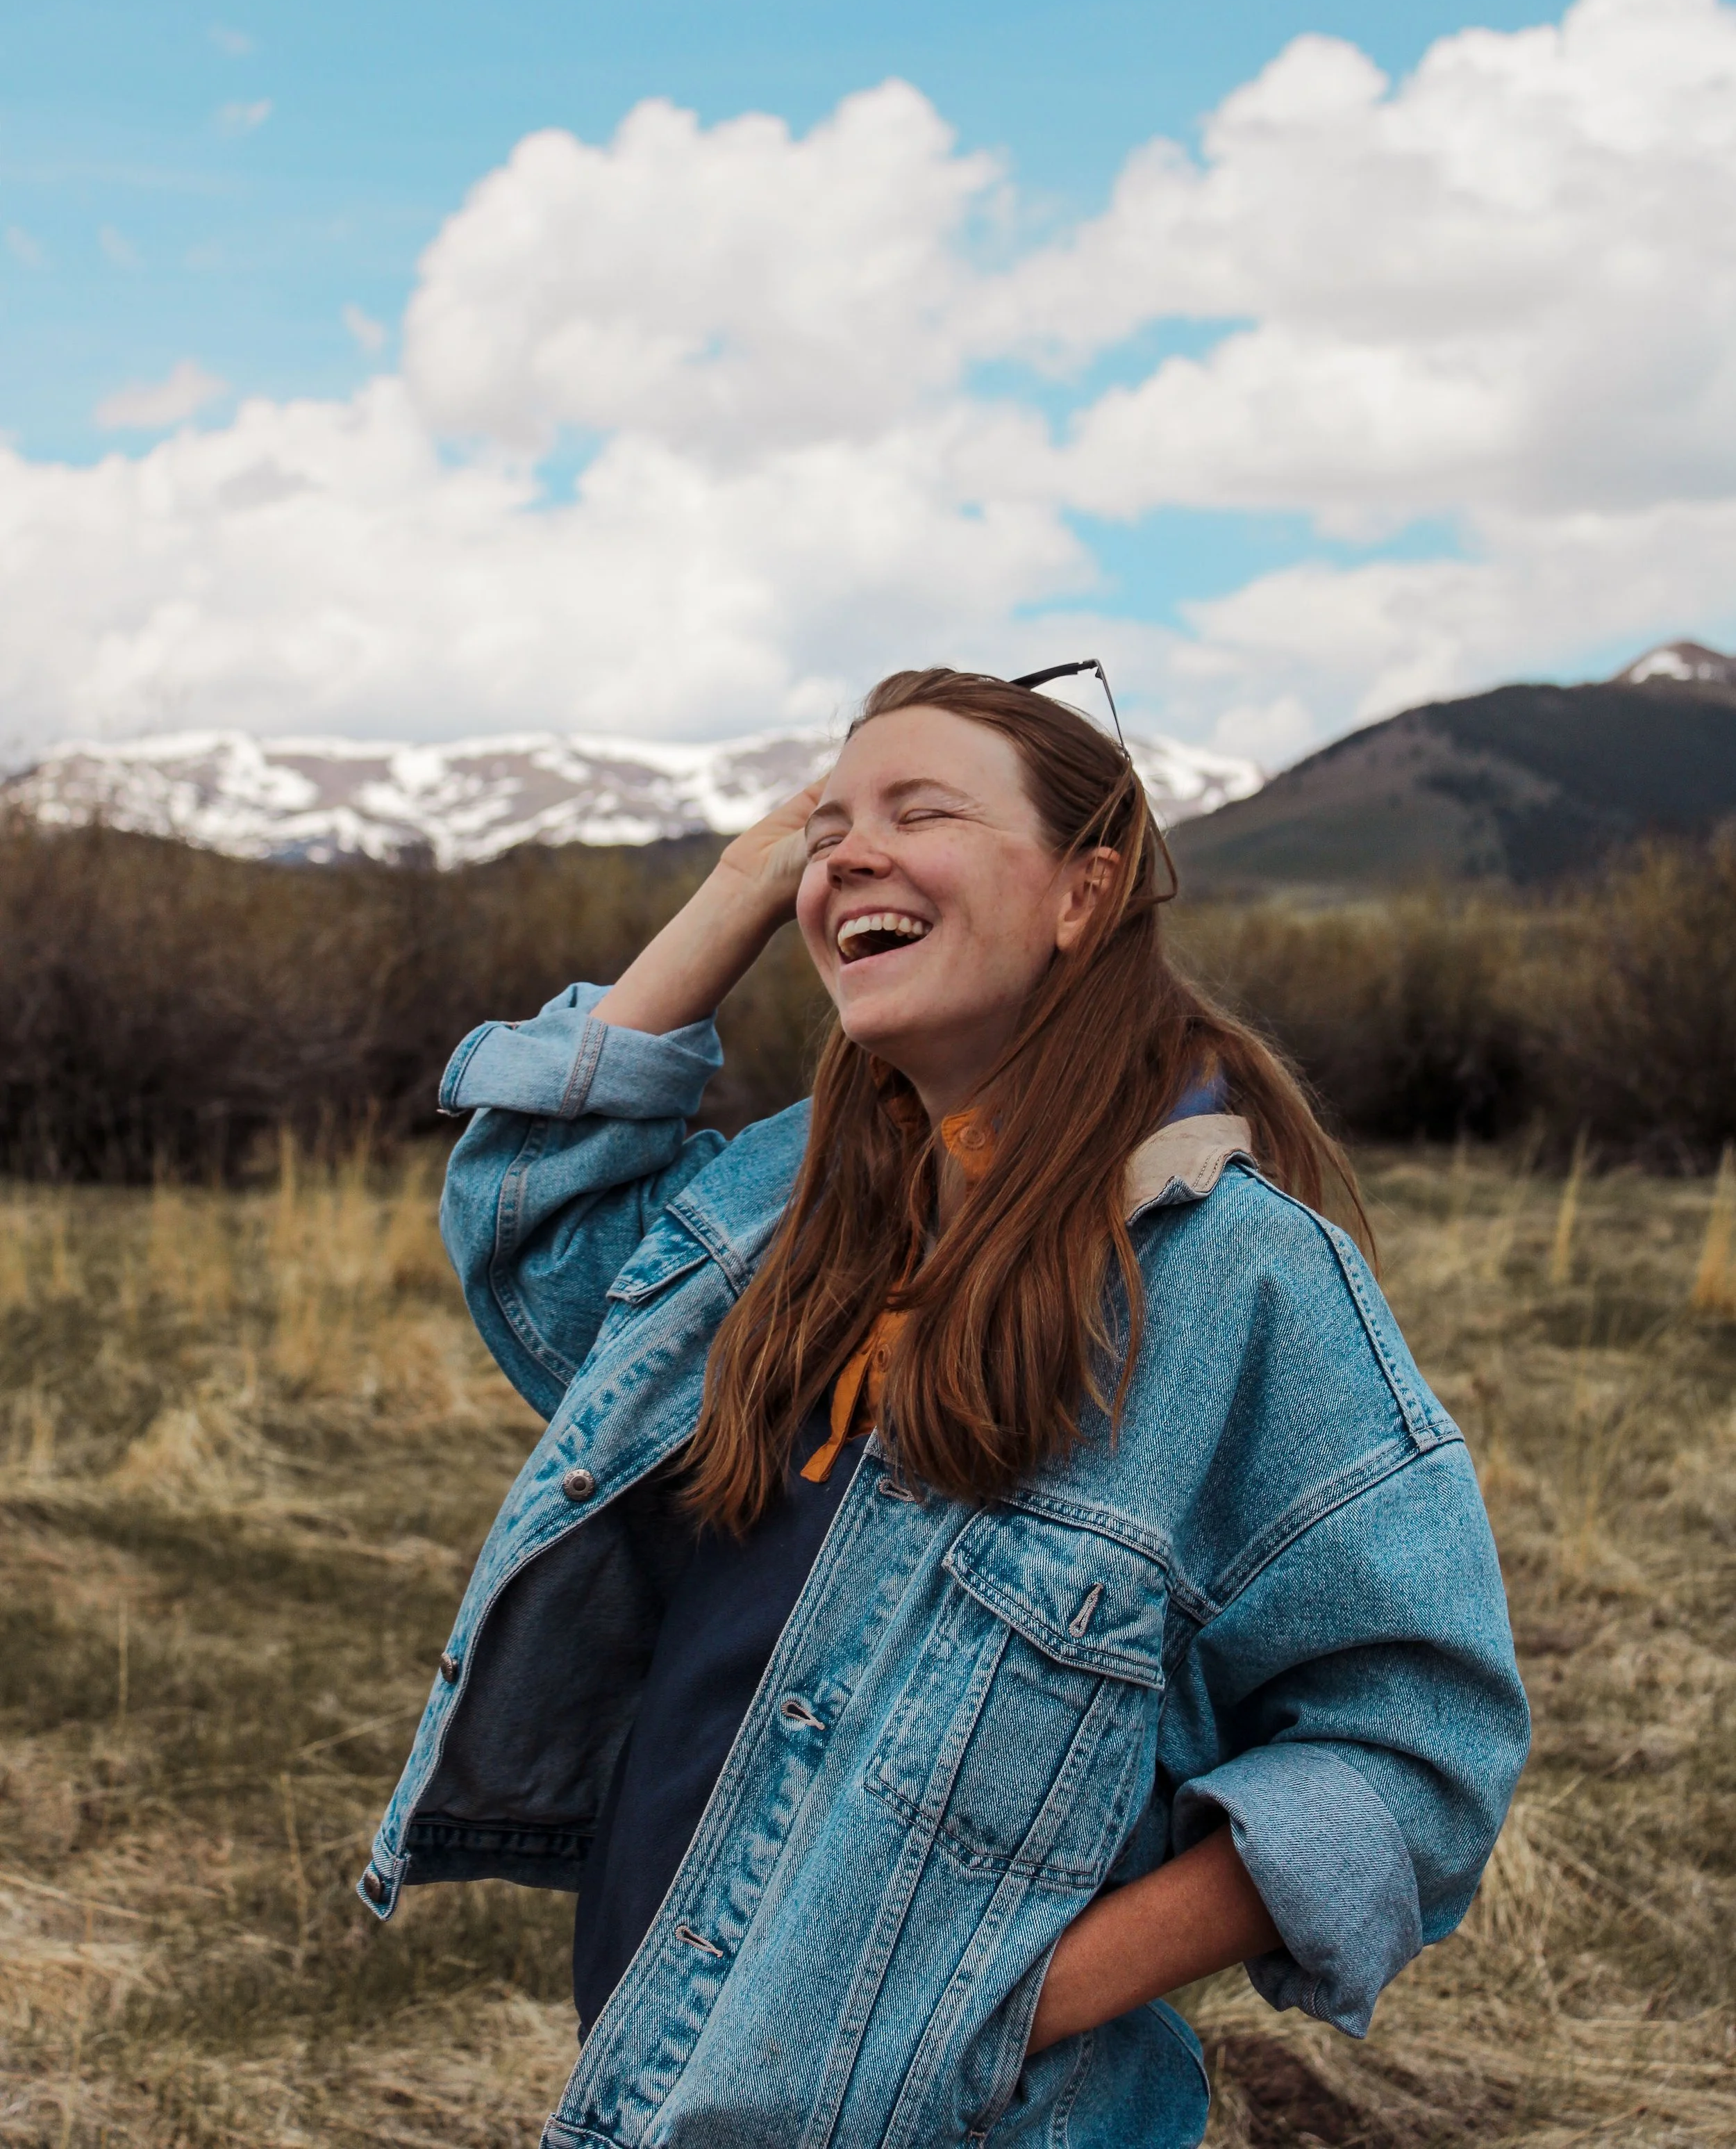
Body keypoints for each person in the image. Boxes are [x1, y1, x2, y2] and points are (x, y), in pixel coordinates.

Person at [360, 667, 1529, 2149]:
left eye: (922, 811)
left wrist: (1000, 2002)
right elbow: (533, 1220)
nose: (844, 851)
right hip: (653, 2081)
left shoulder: (1237, 1280)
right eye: (822, 825)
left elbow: (1409, 1752)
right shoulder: (795, 1206)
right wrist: (739, 883)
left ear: (1079, 894)